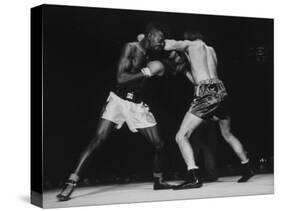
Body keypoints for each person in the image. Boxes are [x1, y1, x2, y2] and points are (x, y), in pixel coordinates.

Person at [56, 23, 173, 201]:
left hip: (136, 105)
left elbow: (166, 58)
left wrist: (166, 63)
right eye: (160, 39)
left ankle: (158, 180)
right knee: (98, 139)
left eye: (163, 41)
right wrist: (148, 71)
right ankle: (71, 182)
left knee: (159, 144)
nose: (162, 43)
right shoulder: (130, 47)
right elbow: (121, 77)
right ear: (150, 36)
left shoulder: (151, 53)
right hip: (118, 100)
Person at [163, 30, 254, 190]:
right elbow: (200, 76)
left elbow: (166, 44)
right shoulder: (211, 50)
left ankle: (193, 176)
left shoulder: (190, 44)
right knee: (227, 134)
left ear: (188, 38)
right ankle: (247, 167)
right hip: (221, 90)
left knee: (181, 136)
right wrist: (185, 70)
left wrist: (145, 38)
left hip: (206, 92)